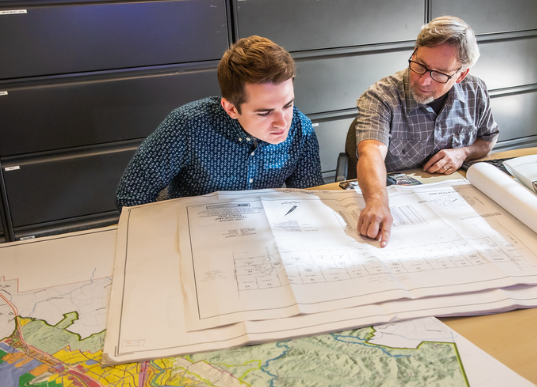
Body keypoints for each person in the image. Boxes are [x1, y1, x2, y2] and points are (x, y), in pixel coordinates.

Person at [116, 35, 324, 210]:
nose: (282, 123)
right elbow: (131, 197)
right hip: (194, 233)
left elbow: (309, 197)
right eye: (264, 113)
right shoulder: (187, 125)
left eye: (288, 105)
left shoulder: (300, 127)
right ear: (231, 108)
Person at [355, 16, 499, 247]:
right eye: (419, 65)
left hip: (454, 206)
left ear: (460, 75)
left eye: (440, 74)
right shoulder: (382, 96)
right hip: (397, 204)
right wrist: (376, 201)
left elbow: (487, 140)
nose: (423, 81)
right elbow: (371, 152)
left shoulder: (475, 90)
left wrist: (464, 152)